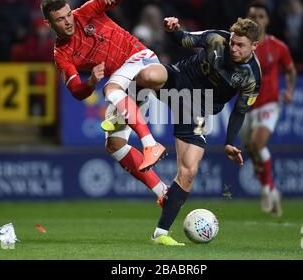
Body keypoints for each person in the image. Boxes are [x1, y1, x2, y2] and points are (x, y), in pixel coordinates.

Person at [103, 16, 262, 245]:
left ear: (254, 46)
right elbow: (184, 39)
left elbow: (239, 111)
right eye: (233, 43)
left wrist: (229, 141)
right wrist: (173, 29)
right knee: (148, 74)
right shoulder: (217, 38)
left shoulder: (252, 77)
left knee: (188, 172)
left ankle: (161, 234)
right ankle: (121, 116)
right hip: (178, 79)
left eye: (240, 45)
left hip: (198, 108)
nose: (234, 48)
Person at [40, 0, 168, 202]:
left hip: (138, 58)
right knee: (114, 145)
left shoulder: (87, 11)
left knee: (111, 89)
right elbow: (76, 92)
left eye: (68, 14)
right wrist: (90, 82)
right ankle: (163, 193)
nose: (68, 21)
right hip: (126, 83)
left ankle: (150, 144)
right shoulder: (62, 54)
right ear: (48, 24)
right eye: (60, 19)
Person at [239, 3, 297, 217]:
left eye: (260, 16)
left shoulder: (278, 47)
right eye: (252, 15)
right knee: (252, 150)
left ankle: (265, 189)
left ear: (267, 21)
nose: (256, 19)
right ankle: (272, 190)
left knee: (257, 143)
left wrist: (289, 90)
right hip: (245, 105)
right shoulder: (239, 45)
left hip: (269, 104)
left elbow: (291, 71)